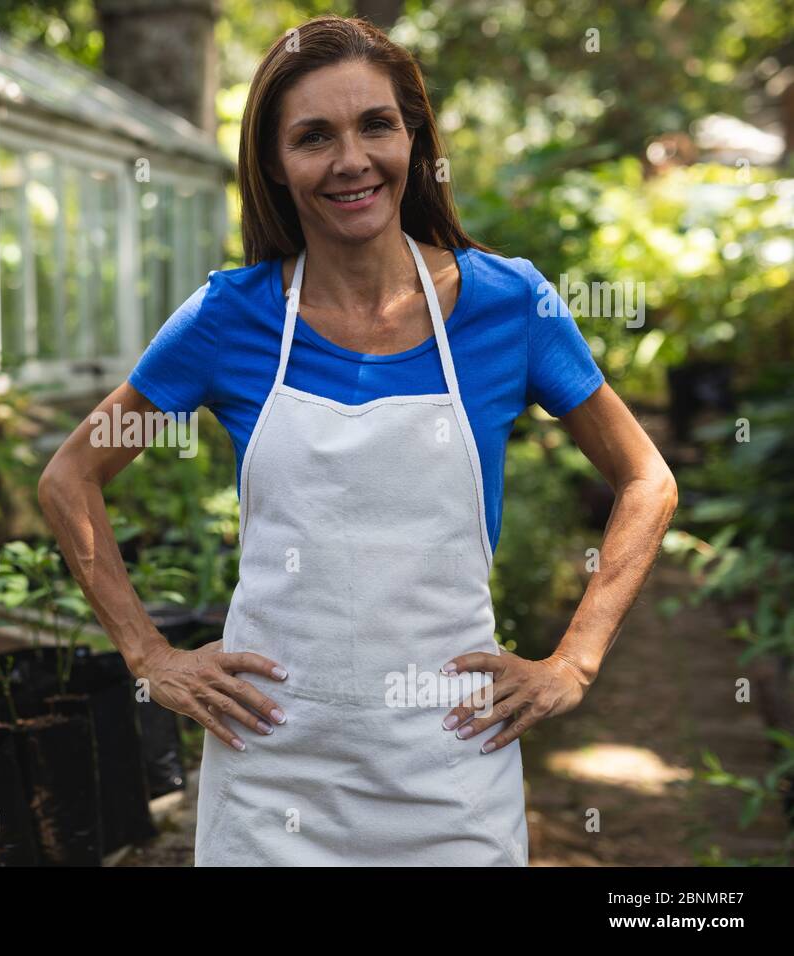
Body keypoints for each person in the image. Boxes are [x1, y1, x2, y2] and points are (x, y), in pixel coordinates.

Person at [37, 15, 678, 866]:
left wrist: (575, 662)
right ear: (273, 162)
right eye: (313, 137)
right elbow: (70, 477)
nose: (351, 161)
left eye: (376, 125)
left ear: (412, 136)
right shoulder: (231, 319)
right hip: (274, 782)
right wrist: (151, 657)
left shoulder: (507, 306)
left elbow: (646, 478)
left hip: (452, 775)